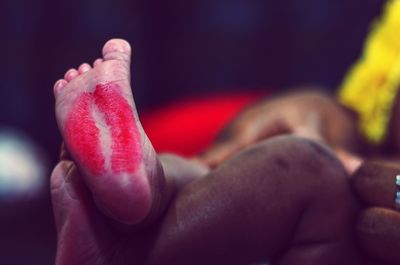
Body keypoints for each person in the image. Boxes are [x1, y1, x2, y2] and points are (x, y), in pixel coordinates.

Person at [51, 39, 361, 265]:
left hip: (351, 171)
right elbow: (364, 111)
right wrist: (320, 112)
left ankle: (121, 238)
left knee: (300, 166)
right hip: (348, 143)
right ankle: (144, 183)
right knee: (228, 163)